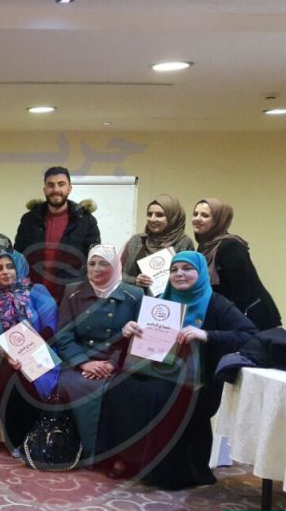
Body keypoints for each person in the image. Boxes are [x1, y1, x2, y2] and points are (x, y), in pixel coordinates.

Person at [121, 251, 257, 489]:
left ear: (201, 273)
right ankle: (140, 464)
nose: (179, 274)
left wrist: (206, 334)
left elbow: (250, 335)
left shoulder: (217, 303)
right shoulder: (161, 301)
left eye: (187, 268)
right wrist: (130, 329)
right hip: (158, 370)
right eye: (174, 269)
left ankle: (179, 473)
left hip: (200, 378)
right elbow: (144, 340)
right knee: (126, 389)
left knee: (167, 396)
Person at [53, 244, 143, 471]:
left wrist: (111, 363)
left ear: (115, 266)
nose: (96, 268)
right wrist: (83, 362)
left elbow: (136, 338)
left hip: (116, 361)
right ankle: (74, 450)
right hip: (79, 359)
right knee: (67, 384)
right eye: (92, 263)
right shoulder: (73, 291)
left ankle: (105, 455)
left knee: (119, 392)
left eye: (103, 263)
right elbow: (64, 334)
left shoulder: (134, 295)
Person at [0, 250, 59, 455]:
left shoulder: (37, 291)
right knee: (0, 378)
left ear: (19, 268)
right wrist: (7, 353)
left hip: (40, 347)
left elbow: (50, 326)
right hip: (4, 352)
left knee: (28, 377)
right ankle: (16, 441)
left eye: (10, 267)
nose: (5, 272)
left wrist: (29, 351)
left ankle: (35, 438)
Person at [14, 166, 100, 304]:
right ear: (44, 190)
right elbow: (18, 257)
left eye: (61, 184)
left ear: (69, 188)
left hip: (71, 299)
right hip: (33, 297)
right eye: (51, 185)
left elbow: (94, 261)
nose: (56, 189)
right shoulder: (29, 220)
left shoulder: (86, 220)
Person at [192, 198, 280, 330]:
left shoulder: (231, 246)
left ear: (218, 221)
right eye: (195, 214)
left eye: (204, 215)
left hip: (252, 319)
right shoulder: (205, 247)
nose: (197, 219)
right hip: (230, 316)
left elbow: (241, 291)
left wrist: (227, 323)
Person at [120, 194, 194, 290]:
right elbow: (118, 275)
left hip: (170, 298)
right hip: (135, 297)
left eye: (159, 215)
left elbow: (190, 277)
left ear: (172, 217)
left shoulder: (184, 243)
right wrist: (134, 280)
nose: (152, 219)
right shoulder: (137, 240)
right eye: (149, 214)